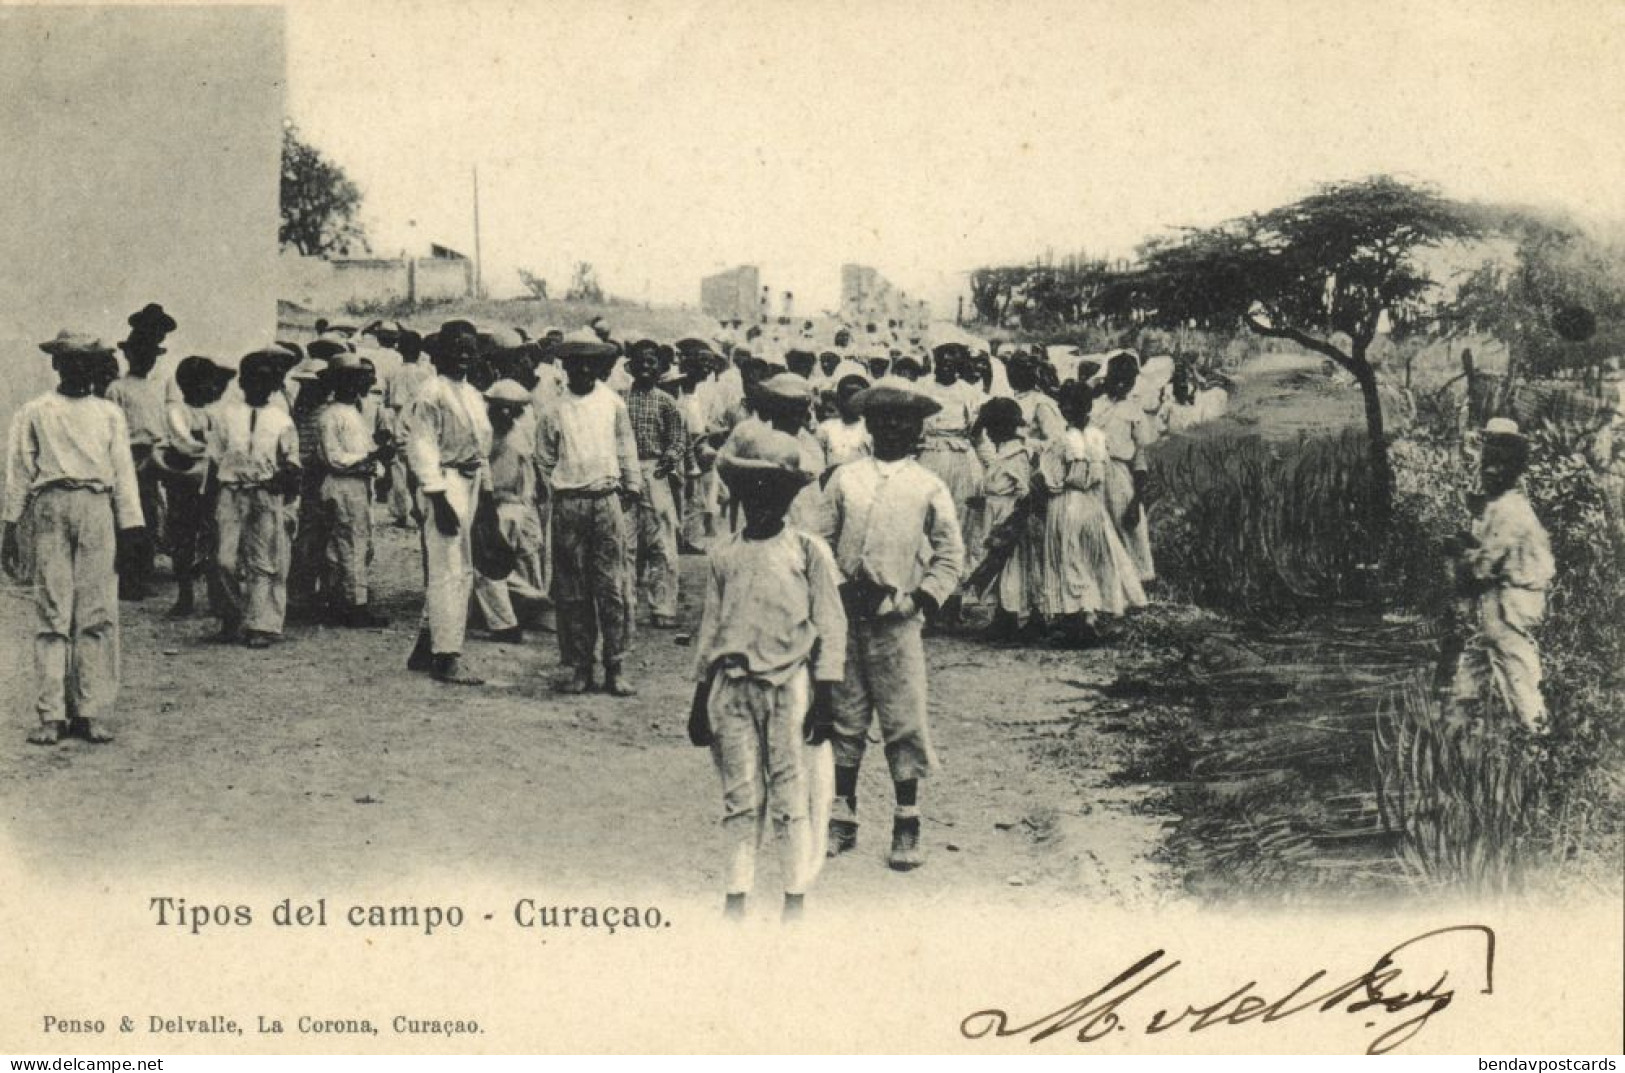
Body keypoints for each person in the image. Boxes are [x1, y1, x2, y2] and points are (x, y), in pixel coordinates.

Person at [688, 429, 847, 922]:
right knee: (740, 796)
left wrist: (825, 695)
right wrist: (698, 700)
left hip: (789, 688)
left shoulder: (809, 551)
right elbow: (711, 629)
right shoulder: (725, 554)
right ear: (738, 496)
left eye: (773, 495)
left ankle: (794, 899)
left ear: (789, 498)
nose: (762, 505)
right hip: (731, 690)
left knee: (791, 795)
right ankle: (736, 896)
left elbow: (830, 624)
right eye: (752, 494)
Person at [810, 382, 964, 871]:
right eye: (883, 420)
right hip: (845, 618)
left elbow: (950, 553)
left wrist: (918, 597)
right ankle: (843, 814)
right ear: (869, 427)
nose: (894, 428)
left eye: (904, 421)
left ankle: (907, 818)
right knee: (845, 715)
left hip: (897, 621)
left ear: (918, 429)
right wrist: (838, 587)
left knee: (903, 717)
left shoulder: (927, 485)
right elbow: (818, 541)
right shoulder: (845, 480)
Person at [3, 332, 144, 745]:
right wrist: (9, 526)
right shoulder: (35, 411)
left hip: (96, 506)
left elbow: (123, 473)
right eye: (71, 363)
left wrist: (132, 527)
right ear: (57, 366)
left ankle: (90, 710)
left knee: (96, 610)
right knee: (53, 610)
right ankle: (52, 714)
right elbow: (19, 472)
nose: (79, 371)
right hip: (50, 506)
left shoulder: (109, 414)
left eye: (88, 364)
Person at [537, 332, 642, 696]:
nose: (583, 369)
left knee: (613, 586)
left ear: (600, 368)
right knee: (572, 590)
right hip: (569, 504)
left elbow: (626, 447)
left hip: (606, 500)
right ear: (564, 368)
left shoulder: (613, 403)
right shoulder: (553, 409)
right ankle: (580, 665)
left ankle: (616, 665)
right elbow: (545, 457)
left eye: (590, 363)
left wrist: (632, 486)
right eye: (574, 363)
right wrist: (559, 490)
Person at [1449, 419, 1556, 733]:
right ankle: (1454, 726)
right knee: (1475, 659)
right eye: (1488, 465)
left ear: (1512, 469)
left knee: (1517, 666)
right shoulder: (1502, 505)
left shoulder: (1510, 510)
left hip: (1513, 599)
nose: (1489, 472)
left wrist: (1462, 554)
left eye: (1497, 467)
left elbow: (1485, 565)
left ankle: (1538, 735)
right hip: (1502, 597)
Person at [401, 328, 492, 685]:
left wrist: (486, 493)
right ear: (439, 354)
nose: (464, 357)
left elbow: (480, 448)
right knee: (448, 570)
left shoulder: (471, 393)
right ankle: (446, 656)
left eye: (470, 350)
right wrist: (437, 496)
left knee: (461, 568)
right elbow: (422, 445)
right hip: (444, 480)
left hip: (468, 480)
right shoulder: (430, 392)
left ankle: (426, 646)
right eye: (457, 350)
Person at [1036, 382, 1146, 646]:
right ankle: (1090, 615)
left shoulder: (1059, 442)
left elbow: (1051, 479)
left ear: (1066, 409)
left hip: (1067, 502)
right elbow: (1103, 474)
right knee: (1091, 555)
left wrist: (1044, 486)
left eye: (1065, 405)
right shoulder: (1099, 438)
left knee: (1068, 557)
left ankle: (1076, 619)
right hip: (1093, 504)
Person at [206, 349, 302, 647]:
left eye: (266, 380)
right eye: (253, 379)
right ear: (243, 382)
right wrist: (209, 501)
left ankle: (262, 624)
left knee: (265, 561)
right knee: (224, 560)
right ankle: (231, 616)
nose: (259, 386)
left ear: (274, 385)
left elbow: (292, 461)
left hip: (265, 494)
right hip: (231, 493)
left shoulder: (280, 420)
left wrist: (285, 492)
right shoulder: (226, 416)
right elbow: (215, 459)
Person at [317, 351, 393, 629]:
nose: (354, 385)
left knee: (356, 544)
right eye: (348, 379)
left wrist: (377, 460)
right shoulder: (331, 416)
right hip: (343, 485)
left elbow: (364, 452)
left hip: (359, 485)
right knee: (349, 544)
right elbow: (335, 458)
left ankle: (342, 600)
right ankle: (353, 605)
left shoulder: (355, 413)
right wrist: (370, 458)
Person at [472, 380, 548, 642]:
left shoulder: (521, 429)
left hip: (522, 502)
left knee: (529, 554)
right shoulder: (484, 432)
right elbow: (479, 467)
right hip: (496, 503)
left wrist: (538, 490)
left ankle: (532, 609)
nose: (506, 414)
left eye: (512, 409)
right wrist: (485, 502)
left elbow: (530, 462)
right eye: (501, 408)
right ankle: (503, 622)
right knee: (491, 564)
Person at [160, 355, 233, 618]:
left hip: (210, 482)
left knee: (212, 537)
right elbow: (184, 444)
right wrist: (211, 447)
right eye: (203, 382)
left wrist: (211, 448)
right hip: (185, 483)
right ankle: (185, 594)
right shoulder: (176, 412)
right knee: (183, 538)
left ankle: (216, 595)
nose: (210, 388)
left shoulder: (216, 412)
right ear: (187, 384)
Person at [624, 346, 688, 628]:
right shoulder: (619, 400)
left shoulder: (666, 402)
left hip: (654, 471)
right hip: (623, 471)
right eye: (641, 362)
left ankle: (663, 607)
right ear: (632, 366)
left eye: (652, 363)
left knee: (662, 541)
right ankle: (624, 606)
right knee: (623, 541)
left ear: (660, 368)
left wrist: (670, 458)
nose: (646, 368)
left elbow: (678, 439)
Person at [106, 329, 170, 600]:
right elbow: (111, 428)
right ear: (129, 355)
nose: (147, 360)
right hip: (129, 458)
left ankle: (143, 574)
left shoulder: (154, 388)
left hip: (153, 460)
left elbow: (160, 426)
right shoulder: (117, 389)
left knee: (150, 516)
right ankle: (126, 579)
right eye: (141, 354)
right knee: (127, 519)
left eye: (151, 356)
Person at [1093, 351, 1157, 584]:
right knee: (1097, 530)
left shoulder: (1134, 411)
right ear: (1107, 376)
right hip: (1091, 473)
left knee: (1129, 528)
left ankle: (1137, 584)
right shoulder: (1093, 406)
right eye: (1116, 377)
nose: (1121, 384)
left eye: (1127, 379)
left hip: (1120, 477)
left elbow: (1140, 458)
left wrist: (1136, 500)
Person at [971, 397, 1032, 641]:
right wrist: (984, 500)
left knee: (1009, 566)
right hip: (995, 510)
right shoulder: (1002, 452)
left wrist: (1014, 520)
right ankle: (1000, 616)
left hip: (1008, 516)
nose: (990, 434)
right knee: (996, 565)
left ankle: (1009, 618)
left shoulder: (1017, 454)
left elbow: (1023, 490)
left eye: (993, 428)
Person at [816, 374, 872, 470]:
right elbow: (819, 462)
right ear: (839, 398)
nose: (851, 400)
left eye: (857, 396)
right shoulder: (825, 428)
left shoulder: (870, 429)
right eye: (846, 395)